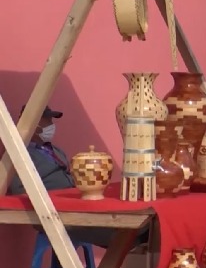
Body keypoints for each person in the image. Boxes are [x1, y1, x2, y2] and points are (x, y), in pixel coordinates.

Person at [8, 105, 146, 248]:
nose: (51, 125)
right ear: (33, 124)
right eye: (46, 121)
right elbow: (19, 190)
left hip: (74, 204)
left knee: (111, 210)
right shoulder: (21, 153)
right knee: (106, 230)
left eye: (51, 121)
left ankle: (136, 232)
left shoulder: (55, 150)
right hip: (52, 211)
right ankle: (129, 239)